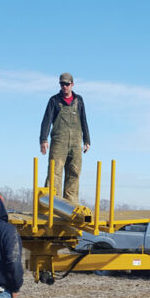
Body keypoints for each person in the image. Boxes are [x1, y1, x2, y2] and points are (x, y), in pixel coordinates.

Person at [39, 72, 91, 204]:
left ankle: (70, 205)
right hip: (59, 142)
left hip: (75, 142)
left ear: (72, 85)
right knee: (54, 172)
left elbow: (83, 120)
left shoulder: (79, 100)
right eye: (62, 84)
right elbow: (46, 121)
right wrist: (43, 140)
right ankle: (52, 205)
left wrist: (87, 140)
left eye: (67, 84)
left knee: (74, 172)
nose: (64, 87)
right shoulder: (54, 100)